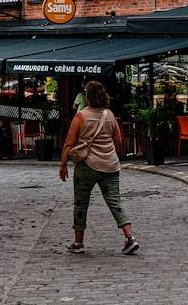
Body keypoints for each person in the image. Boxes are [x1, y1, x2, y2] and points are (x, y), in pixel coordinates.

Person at [58, 80, 139, 256]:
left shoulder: (80, 117)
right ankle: (130, 238)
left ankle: (78, 243)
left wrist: (63, 164)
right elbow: (118, 141)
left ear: (87, 97)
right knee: (115, 202)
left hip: (87, 166)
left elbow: (69, 143)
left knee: (81, 203)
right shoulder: (109, 115)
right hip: (110, 165)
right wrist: (111, 155)